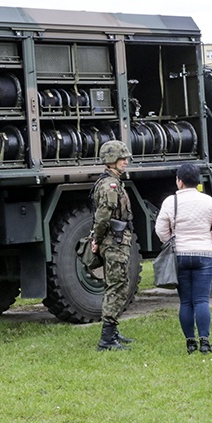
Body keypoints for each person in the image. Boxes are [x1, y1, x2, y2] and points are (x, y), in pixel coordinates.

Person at [155, 163, 212, 355]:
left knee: (186, 302)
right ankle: (205, 342)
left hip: (180, 255)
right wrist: (208, 241)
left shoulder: (171, 202)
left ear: (179, 181)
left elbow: (160, 229)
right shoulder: (209, 201)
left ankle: (190, 343)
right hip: (204, 255)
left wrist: (172, 242)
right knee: (202, 301)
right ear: (198, 181)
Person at [91, 140, 136, 351]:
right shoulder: (110, 185)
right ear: (111, 161)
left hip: (115, 242)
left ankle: (113, 331)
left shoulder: (113, 182)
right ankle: (106, 339)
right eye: (121, 158)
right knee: (116, 287)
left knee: (119, 284)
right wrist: (97, 240)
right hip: (114, 242)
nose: (125, 162)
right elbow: (103, 216)